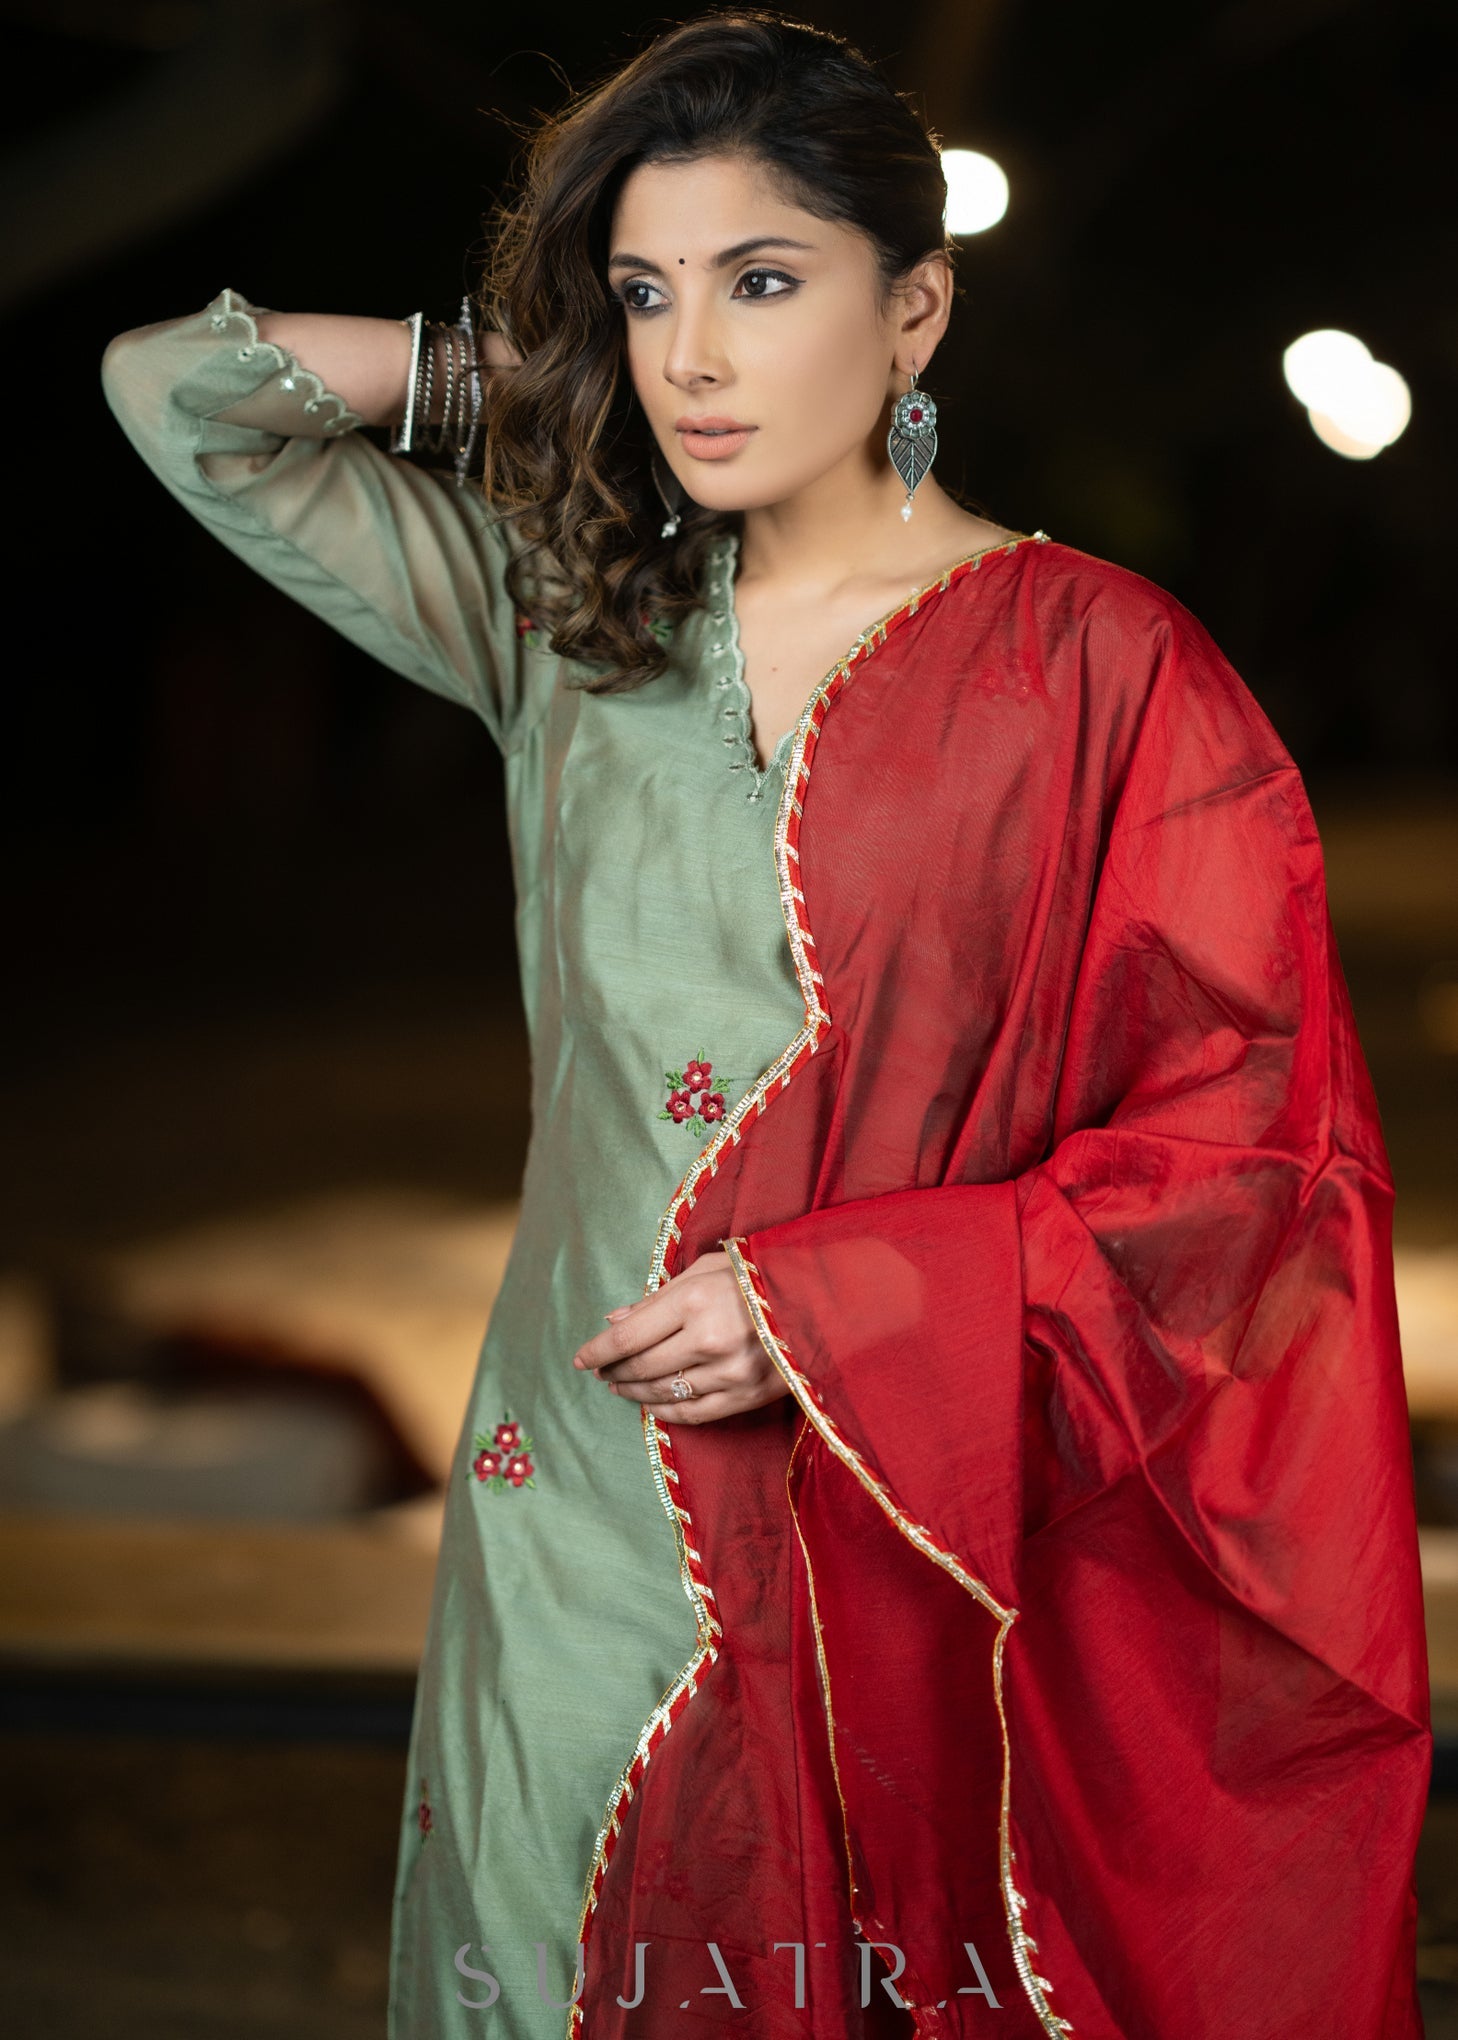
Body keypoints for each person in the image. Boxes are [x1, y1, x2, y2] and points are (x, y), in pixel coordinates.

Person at [100, 9, 1431, 2036]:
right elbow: (179, 393)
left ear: (916, 313)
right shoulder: (575, 623)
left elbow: (1248, 1152)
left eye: (763, 282)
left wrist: (843, 1305)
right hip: (573, 1502)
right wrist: (530, 371)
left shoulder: (1104, 673)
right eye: (648, 293)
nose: (693, 358)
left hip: (903, 1516)